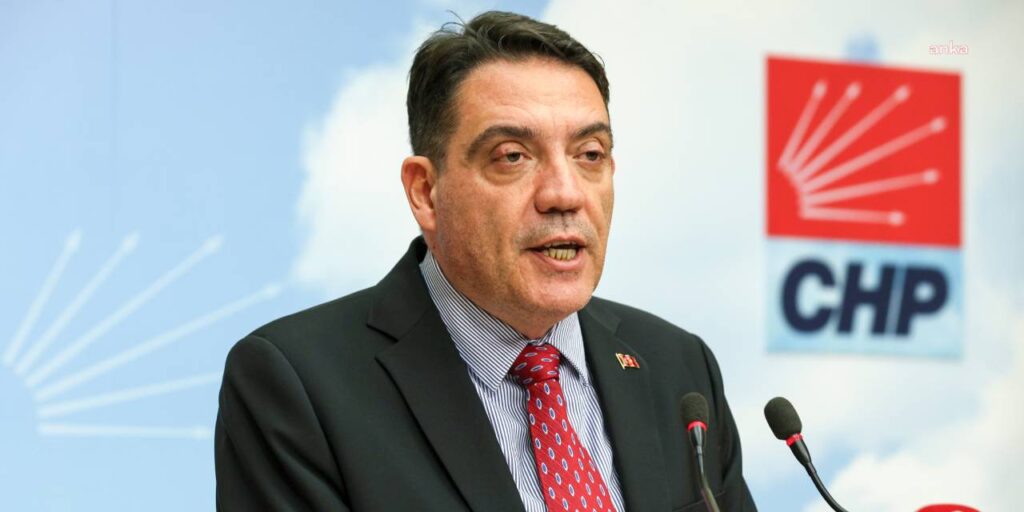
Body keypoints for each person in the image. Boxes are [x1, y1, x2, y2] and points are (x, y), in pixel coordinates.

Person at [215, 10, 757, 512]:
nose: (565, 193)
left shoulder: (678, 367)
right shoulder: (298, 386)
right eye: (513, 156)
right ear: (425, 192)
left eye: (590, 155)